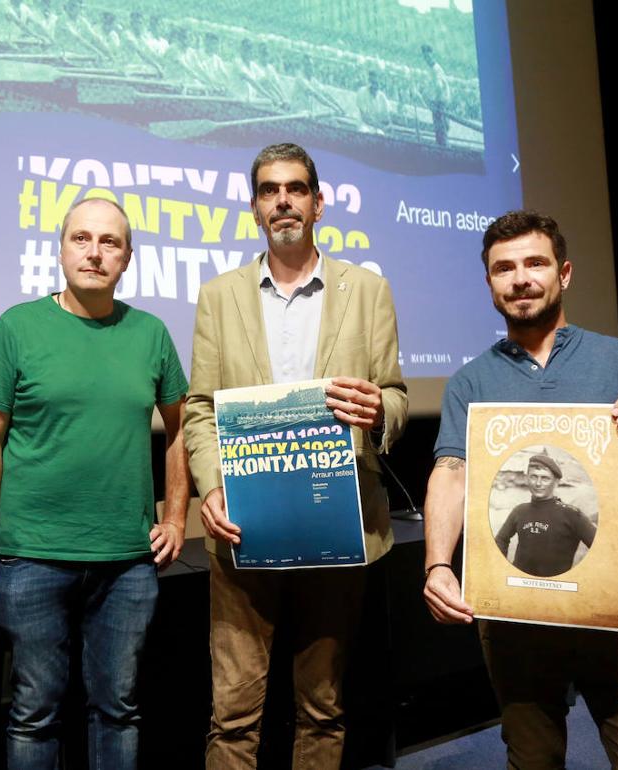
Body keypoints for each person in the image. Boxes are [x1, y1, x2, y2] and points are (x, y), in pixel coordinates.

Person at [422, 210, 618, 768]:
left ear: (565, 273)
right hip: (514, 621)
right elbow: (451, 471)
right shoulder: (471, 380)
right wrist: (436, 564)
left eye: (535, 262)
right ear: (489, 284)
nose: (520, 278)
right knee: (532, 761)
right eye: (504, 268)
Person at [183, 142, 407, 770]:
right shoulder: (218, 296)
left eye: (297, 188)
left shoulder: (367, 289)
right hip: (244, 527)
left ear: (318, 201)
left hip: (337, 523)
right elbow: (200, 406)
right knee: (232, 718)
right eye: (269, 190)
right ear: (255, 207)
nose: (283, 200)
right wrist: (211, 487)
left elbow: (394, 394)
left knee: (324, 709)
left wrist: (379, 411)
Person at [0, 196, 189, 768]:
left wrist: (175, 517)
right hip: (31, 556)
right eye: (81, 239)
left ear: (128, 257)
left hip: (127, 561)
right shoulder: (17, 327)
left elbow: (184, 429)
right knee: (34, 713)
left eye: (109, 242)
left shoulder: (151, 333)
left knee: (117, 708)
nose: (94, 252)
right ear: (61, 248)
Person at [493, 452, 596, 577]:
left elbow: (600, 548)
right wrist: (502, 570)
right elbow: (501, 540)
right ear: (527, 478)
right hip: (519, 586)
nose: (538, 483)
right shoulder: (519, 511)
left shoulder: (572, 515)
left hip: (555, 591)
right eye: (533, 476)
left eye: (545, 478)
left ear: (556, 482)